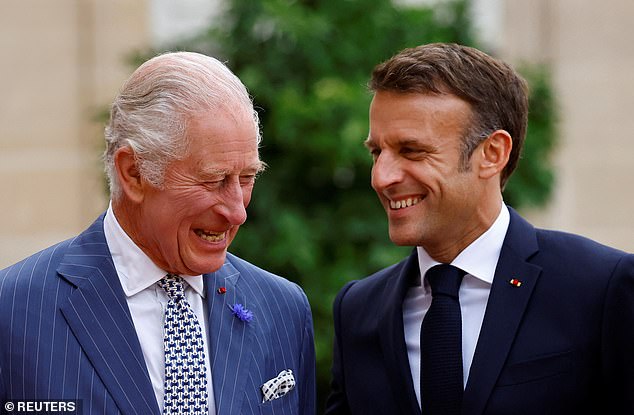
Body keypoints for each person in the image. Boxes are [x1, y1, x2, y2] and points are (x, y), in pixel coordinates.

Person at [325, 43, 634, 415]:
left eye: (412, 151)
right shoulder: (357, 310)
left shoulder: (600, 287)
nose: (382, 177)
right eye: (377, 152)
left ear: (492, 154)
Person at [0, 52, 316, 415]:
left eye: (246, 178)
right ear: (133, 173)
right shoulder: (13, 312)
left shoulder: (283, 309)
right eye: (213, 181)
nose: (237, 211)